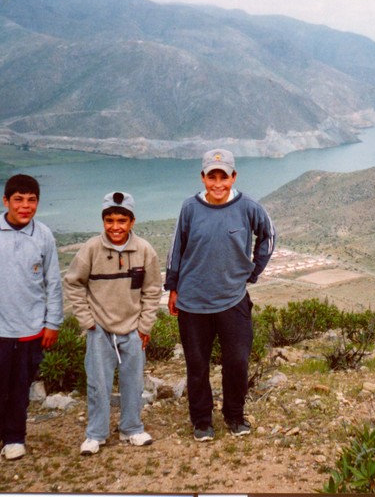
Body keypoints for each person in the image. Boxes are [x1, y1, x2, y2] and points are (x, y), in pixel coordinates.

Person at [166, 148, 276, 441]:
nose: (217, 184)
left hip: (233, 299)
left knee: (237, 361)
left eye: (223, 177)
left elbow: (269, 236)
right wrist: (173, 287)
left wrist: (254, 271)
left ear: (233, 176)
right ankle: (202, 421)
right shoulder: (190, 208)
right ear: (202, 177)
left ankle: (234, 415)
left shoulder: (249, 206)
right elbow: (176, 248)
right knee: (197, 365)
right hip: (193, 301)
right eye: (211, 177)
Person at [63, 191, 162, 455]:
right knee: (98, 383)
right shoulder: (91, 249)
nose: (115, 226)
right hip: (100, 330)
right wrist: (87, 321)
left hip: (132, 329)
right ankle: (96, 434)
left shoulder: (144, 250)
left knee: (134, 382)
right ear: (103, 221)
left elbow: (153, 290)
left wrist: (144, 326)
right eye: (109, 220)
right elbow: (73, 283)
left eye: (121, 220)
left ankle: (132, 428)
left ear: (132, 222)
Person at [0, 174, 63, 461]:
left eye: (31, 200)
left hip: (31, 328)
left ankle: (14, 438)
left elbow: (53, 282)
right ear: (6, 201)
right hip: (1, 328)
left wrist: (52, 323)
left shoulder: (44, 235)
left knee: (19, 387)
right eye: (18, 200)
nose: (25, 206)